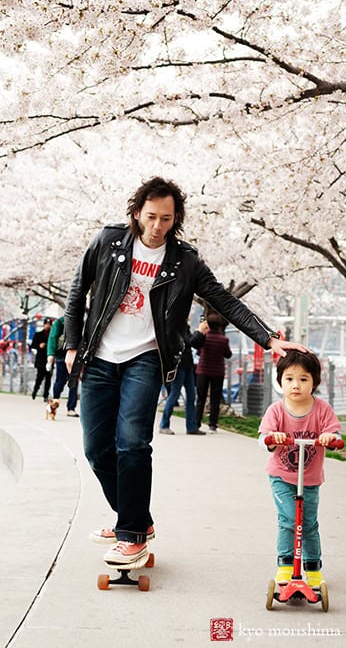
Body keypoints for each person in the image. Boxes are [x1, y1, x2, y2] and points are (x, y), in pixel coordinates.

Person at [64, 175, 306, 566]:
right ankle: (137, 519)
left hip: (147, 358)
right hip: (100, 357)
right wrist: (72, 345)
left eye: (166, 219)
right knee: (96, 449)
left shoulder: (185, 261)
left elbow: (224, 301)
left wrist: (268, 339)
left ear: (176, 219)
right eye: (151, 217)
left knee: (132, 443)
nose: (157, 227)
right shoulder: (107, 242)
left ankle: (130, 534)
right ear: (137, 212)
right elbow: (78, 291)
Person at [258, 349, 341, 587]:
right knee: (289, 520)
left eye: (303, 379)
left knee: (309, 523)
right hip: (281, 477)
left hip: (311, 478)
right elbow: (263, 439)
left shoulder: (322, 409)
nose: (296, 385)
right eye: (290, 379)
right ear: (280, 381)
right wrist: (273, 439)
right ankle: (285, 566)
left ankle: (313, 568)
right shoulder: (276, 410)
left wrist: (329, 437)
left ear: (314, 381)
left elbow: (334, 435)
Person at [159, 324, 207, 435]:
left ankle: (191, 426)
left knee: (191, 396)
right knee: (174, 395)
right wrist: (198, 332)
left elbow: (195, 344)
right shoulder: (176, 325)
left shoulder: (186, 326)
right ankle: (164, 424)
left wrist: (202, 334)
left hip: (188, 365)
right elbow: (187, 342)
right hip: (179, 366)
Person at [193, 313, 232, 434]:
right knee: (215, 399)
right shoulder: (224, 339)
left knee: (201, 398)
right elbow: (228, 354)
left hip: (203, 371)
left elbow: (199, 352)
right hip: (217, 372)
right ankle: (213, 425)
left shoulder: (204, 338)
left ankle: (196, 423)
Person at [47, 316, 79, 417]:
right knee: (60, 381)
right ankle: (55, 400)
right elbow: (52, 337)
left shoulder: (82, 321)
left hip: (75, 355)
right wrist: (51, 354)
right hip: (61, 355)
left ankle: (71, 408)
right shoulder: (60, 322)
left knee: (73, 382)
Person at [30, 317, 53, 401]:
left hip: (49, 359)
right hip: (40, 359)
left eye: (49, 325)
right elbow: (33, 345)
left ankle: (46, 395)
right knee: (39, 377)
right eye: (46, 324)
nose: (47, 326)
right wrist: (39, 346)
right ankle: (35, 391)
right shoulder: (38, 334)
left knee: (48, 379)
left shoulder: (52, 335)